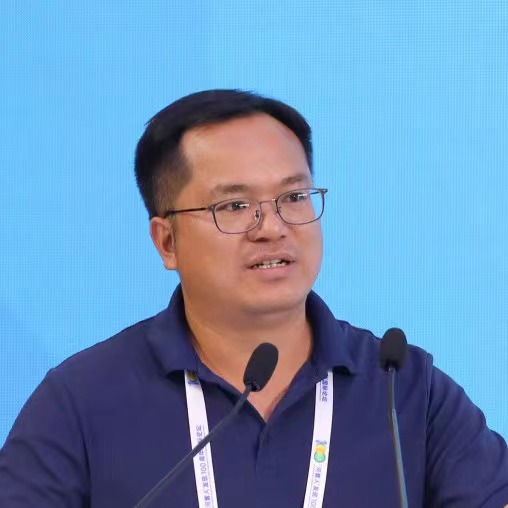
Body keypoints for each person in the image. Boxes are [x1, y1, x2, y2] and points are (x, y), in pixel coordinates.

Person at [0, 89, 507, 508]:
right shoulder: (82, 400)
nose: (272, 228)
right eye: (235, 205)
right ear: (167, 242)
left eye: (293, 197)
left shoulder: (406, 390)